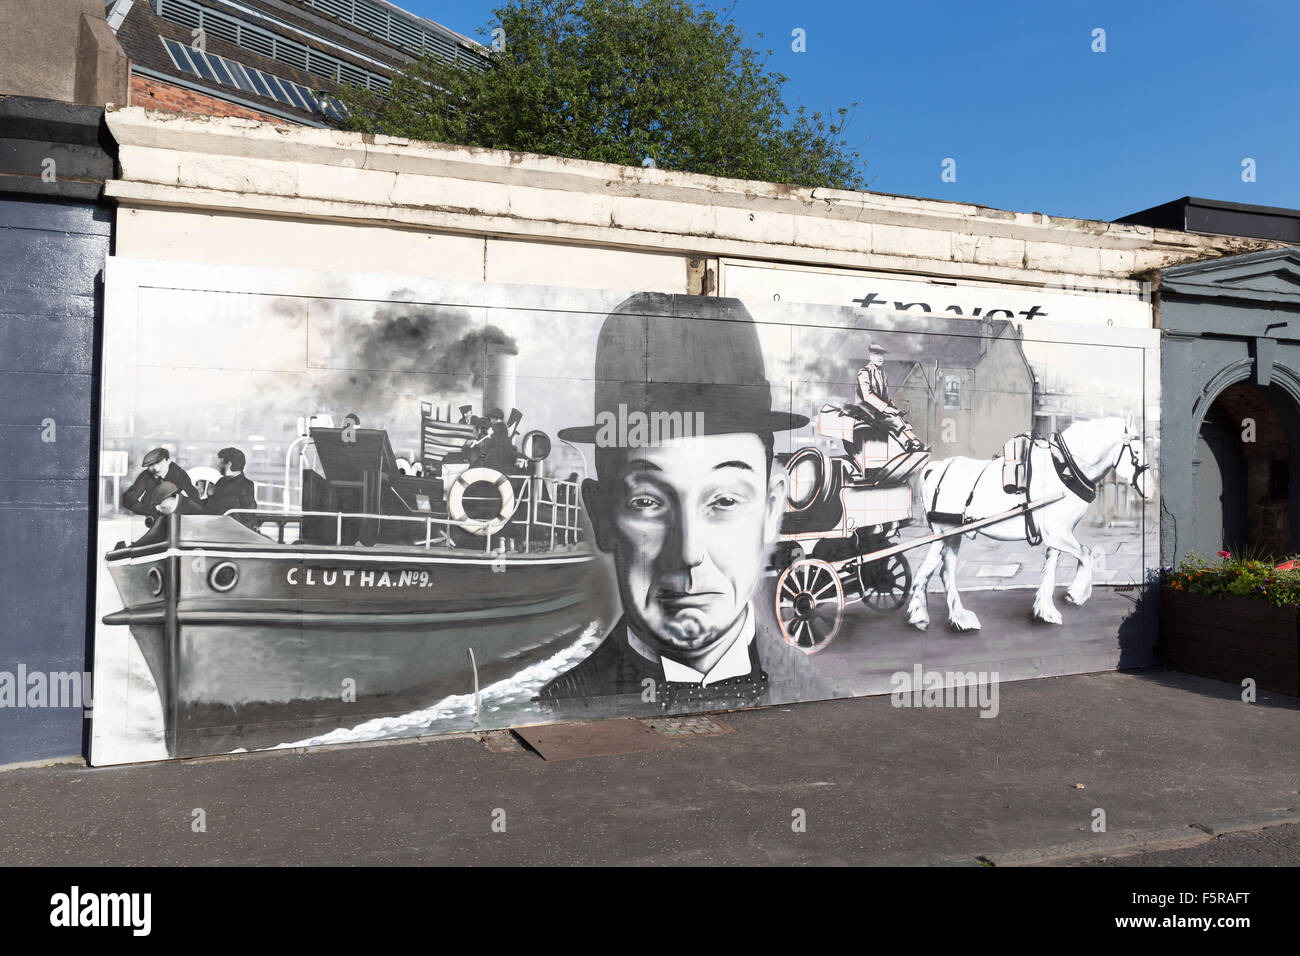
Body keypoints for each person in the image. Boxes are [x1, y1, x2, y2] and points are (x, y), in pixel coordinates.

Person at [539, 293, 834, 710]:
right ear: (601, 515)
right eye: (647, 502)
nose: (690, 553)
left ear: (771, 509)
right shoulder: (558, 706)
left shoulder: (819, 696)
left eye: (726, 500)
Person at [851, 344, 924, 452]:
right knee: (893, 419)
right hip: (865, 411)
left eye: (882, 355)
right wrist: (886, 409)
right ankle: (908, 443)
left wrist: (894, 409)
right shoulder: (864, 372)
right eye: (876, 355)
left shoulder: (882, 374)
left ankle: (912, 442)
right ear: (870, 356)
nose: (880, 358)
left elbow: (885, 397)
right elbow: (867, 396)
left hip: (878, 410)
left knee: (897, 417)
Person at [122, 447, 200, 518]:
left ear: (168, 461)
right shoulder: (146, 475)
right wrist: (150, 510)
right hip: (148, 515)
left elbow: (194, 498)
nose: (155, 468)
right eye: (151, 465)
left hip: (173, 517)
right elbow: (128, 499)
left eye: (159, 463)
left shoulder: (179, 474)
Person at [130, 481, 204, 547]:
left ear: (172, 497)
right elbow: (153, 535)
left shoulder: (194, 510)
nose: (157, 508)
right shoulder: (163, 512)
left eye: (160, 503)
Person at [203, 446, 257, 520]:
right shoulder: (221, 482)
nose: (218, 465)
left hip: (232, 528)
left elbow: (248, 516)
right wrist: (210, 496)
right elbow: (210, 510)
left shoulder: (246, 485)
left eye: (221, 463)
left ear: (229, 464)